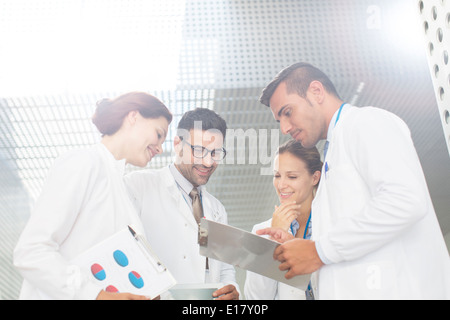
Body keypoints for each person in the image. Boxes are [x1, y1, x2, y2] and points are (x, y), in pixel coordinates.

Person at [257, 62, 450, 299]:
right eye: (279, 121)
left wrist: (319, 250)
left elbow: (406, 199)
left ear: (316, 92)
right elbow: (350, 243)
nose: (285, 127)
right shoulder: (333, 155)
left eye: (287, 112)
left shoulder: (366, 122)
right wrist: (301, 247)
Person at [13, 92, 172, 300]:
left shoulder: (121, 189)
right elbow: (31, 252)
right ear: (133, 117)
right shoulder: (84, 163)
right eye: (158, 134)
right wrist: (98, 296)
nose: (160, 148)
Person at [124, 108, 240, 300]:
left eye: (215, 153)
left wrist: (232, 290)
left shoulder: (217, 209)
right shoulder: (139, 186)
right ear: (177, 144)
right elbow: (124, 251)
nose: (208, 162)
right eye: (200, 150)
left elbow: (224, 268)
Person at [244, 139, 322, 300]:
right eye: (277, 175)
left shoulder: (332, 224)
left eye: (292, 177)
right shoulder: (262, 231)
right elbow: (257, 299)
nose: (281, 185)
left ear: (314, 178)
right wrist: (271, 244)